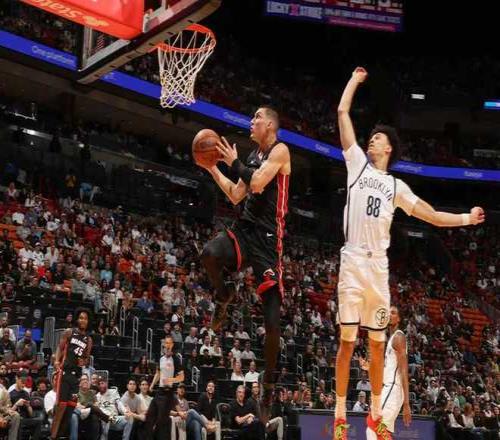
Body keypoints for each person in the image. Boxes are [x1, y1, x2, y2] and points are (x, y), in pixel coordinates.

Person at [333, 67, 485, 440]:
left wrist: (466, 218)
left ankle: (375, 417)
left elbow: (431, 215)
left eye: (377, 137)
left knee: (376, 345)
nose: (371, 140)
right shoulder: (356, 165)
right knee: (347, 342)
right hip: (353, 260)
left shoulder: (397, 186)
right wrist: (354, 80)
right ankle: (339, 416)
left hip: (378, 269)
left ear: (388, 148)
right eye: (370, 137)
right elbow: (342, 112)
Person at [201, 106, 291, 409]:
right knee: (209, 253)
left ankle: (269, 384)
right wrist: (212, 168)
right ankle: (224, 295)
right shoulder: (252, 156)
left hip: (268, 241)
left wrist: (233, 162)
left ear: (270, 124)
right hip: (245, 229)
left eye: (256, 118)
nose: (252, 122)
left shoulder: (281, 151)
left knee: (272, 323)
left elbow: (257, 183)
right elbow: (236, 194)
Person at [51, 308, 93, 439]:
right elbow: (60, 348)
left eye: (85, 318)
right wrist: (56, 361)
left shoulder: (88, 340)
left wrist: (83, 362)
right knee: (61, 407)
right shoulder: (69, 332)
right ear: (77, 319)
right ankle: (52, 436)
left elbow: (86, 359)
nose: (83, 320)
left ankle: (60, 436)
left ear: (88, 321)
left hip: (76, 376)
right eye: (81, 318)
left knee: (70, 410)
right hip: (65, 372)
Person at [146, 336, 184, 439]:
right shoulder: (161, 358)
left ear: (172, 345)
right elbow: (158, 373)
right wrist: (152, 385)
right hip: (159, 392)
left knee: (161, 421)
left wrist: (170, 380)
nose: (166, 345)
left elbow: (181, 377)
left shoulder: (176, 359)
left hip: (168, 393)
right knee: (149, 416)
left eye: (168, 343)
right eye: (165, 343)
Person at [9, 370, 42, 439]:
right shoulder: (10, 394)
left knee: (39, 422)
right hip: (16, 419)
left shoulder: (26, 394)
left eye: (25, 383)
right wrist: (16, 404)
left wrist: (28, 406)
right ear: (17, 379)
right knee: (19, 423)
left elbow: (31, 414)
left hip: (25, 419)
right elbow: (9, 413)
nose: (23, 385)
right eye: (22, 382)